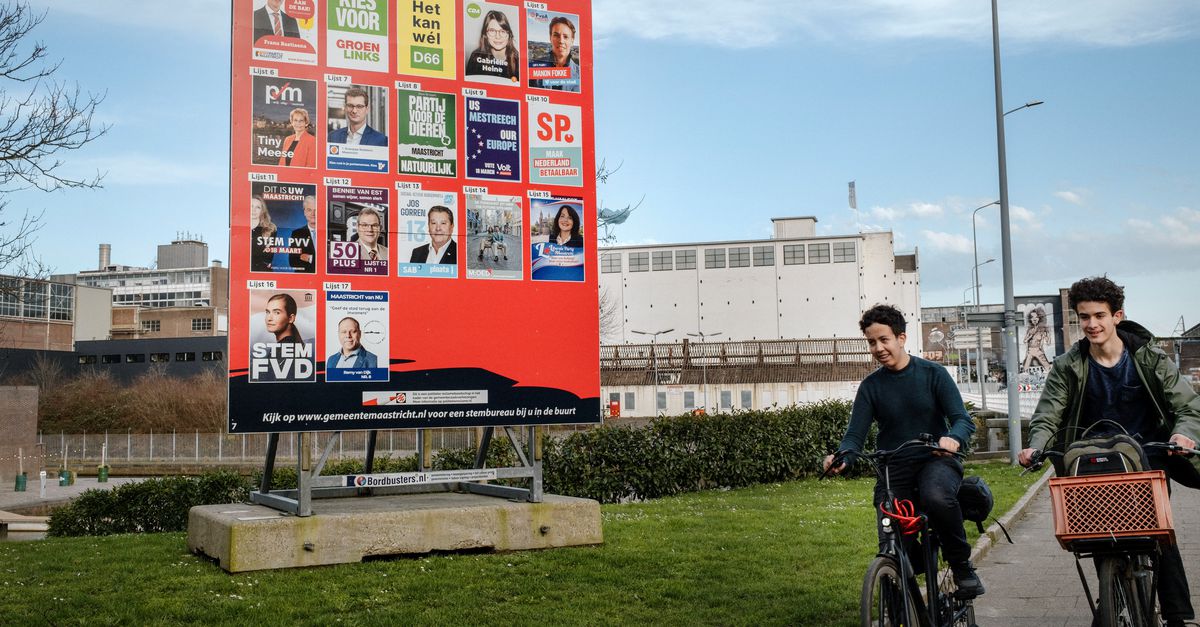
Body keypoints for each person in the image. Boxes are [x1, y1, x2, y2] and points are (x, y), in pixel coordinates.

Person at [1019, 276, 1200, 627]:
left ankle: (1179, 617)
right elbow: (1048, 413)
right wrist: (1036, 445)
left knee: (1158, 533)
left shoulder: (1148, 357)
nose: (1091, 324)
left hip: (1148, 455)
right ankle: (1111, 588)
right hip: (1092, 460)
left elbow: (1187, 406)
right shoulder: (1067, 365)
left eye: (1099, 315)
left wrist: (1182, 435)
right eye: (1084, 317)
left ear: (1117, 316)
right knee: (1097, 533)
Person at [823, 304, 984, 597]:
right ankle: (898, 585)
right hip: (893, 468)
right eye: (872, 342)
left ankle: (961, 565)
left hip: (935, 460)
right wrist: (842, 457)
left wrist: (952, 439)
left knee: (936, 497)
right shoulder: (871, 387)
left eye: (884, 339)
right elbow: (854, 436)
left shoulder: (932, 374)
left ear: (901, 338)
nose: (878, 348)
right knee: (892, 539)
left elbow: (962, 419)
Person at [465, 10, 519, 82]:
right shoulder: (476, 57)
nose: (498, 36)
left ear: (509, 34)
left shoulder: (518, 59)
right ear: (485, 34)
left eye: (502, 31)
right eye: (492, 31)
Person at [529, 16, 580, 92]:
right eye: (556, 35)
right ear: (550, 37)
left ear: (572, 41)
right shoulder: (534, 67)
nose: (561, 41)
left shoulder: (580, 75)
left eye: (565, 37)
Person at [288, 195, 316, 272]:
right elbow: (293, 262)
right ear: (304, 212)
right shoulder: (297, 234)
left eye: (316, 210)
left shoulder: (329, 233)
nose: (313, 213)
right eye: (309, 210)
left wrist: (310, 258)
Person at [1021, 305, 1052, 372]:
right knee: (1025, 368)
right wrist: (1031, 335)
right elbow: (1025, 341)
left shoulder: (1042, 329)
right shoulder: (1030, 329)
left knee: (1047, 367)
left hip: (1038, 350)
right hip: (1030, 350)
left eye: (1036, 317)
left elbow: (1048, 343)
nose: (1034, 319)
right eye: (1032, 317)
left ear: (1039, 318)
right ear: (1030, 319)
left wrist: (1048, 334)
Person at [250, 195, 276, 272]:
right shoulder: (239, 229)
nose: (253, 210)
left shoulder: (270, 229)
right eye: (251, 206)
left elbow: (267, 258)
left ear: (262, 211)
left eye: (258, 207)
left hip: (261, 272)